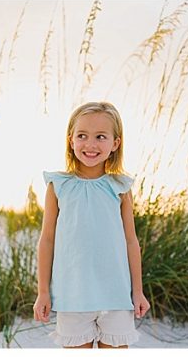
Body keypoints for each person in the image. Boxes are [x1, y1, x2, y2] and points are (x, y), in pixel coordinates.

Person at [33, 102, 150, 348]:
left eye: (100, 137)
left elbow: (131, 241)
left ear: (115, 143)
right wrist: (43, 291)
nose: (91, 144)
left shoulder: (119, 187)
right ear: (71, 140)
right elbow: (47, 240)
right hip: (72, 296)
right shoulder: (58, 186)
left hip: (116, 295)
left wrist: (137, 291)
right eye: (82, 136)